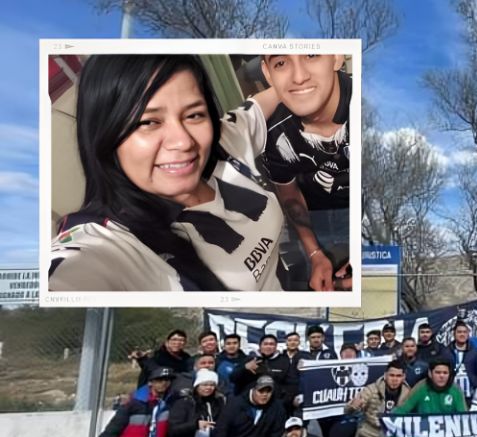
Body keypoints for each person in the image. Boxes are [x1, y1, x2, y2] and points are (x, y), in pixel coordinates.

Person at [49, 54, 290, 292]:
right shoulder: (106, 244)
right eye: (148, 122)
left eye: (194, 115)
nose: (184, 142)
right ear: (104, 133)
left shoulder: (223, 143)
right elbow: (70, 275)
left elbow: (257, 107)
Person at [260, 54, 352, 291]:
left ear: (337, 57)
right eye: (281, 63)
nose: (299, 77)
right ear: (268, 73)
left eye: (312, 55)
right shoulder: (272, 134)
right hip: (313, 218)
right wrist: (314, 254)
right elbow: (289, 196)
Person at [231, 334, 299, 416]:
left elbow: (292, 384)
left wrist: (282, 402)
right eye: (265, 344)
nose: (268, 347)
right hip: (250, 407)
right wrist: (244, 368)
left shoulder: (284, 361)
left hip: (275, 407)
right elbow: (233, 378)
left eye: (271, 344)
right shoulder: (250, 359)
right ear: (260, 346)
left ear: (276, 346)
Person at [449, 320, 477, 397]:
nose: (462, 334)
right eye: (459, 332)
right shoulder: (446, 352)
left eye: (464, 332)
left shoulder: (475, 352)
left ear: (468, 334)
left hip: (471, 395)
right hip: (451, 395)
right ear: (454, 334)